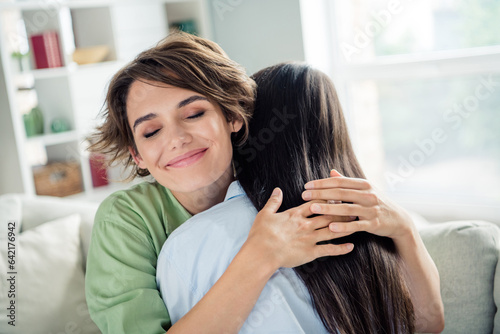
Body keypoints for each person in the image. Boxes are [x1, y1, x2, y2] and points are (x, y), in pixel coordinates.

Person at [85, 32, 357, 334]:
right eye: (151, 132)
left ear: (232, 116)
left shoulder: (275, 182)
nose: (177, 139)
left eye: (194, 113)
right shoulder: (124, 220)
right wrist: (260, 257)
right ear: (137, 155)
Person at [157, 63, 445, 333]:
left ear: (241, 128)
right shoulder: (372, 226)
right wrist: (405, 229)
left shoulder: (188, 246)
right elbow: (427, 325)